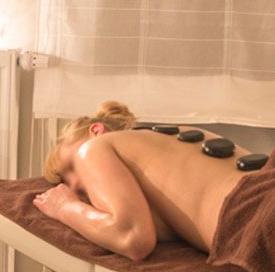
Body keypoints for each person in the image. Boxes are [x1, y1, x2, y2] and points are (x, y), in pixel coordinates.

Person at [34, 101, 249, 260]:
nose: (74, 187)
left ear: (97, 131)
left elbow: (133, 238)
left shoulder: (93, 148)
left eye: (71, 167)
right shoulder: (162, 145)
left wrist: (65, 207)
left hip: (251, 212)